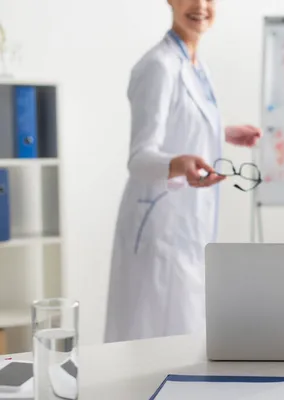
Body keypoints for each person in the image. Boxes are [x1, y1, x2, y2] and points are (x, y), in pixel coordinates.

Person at [104, 0, 261, 343]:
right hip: (160, 232)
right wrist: (178, 164)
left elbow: (183, 124)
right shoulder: (158, 66)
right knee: (154, 343)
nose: (201, 6)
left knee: (184, 336)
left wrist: (224, 131)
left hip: (186, 226)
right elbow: (139, 157)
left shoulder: (195, 65)